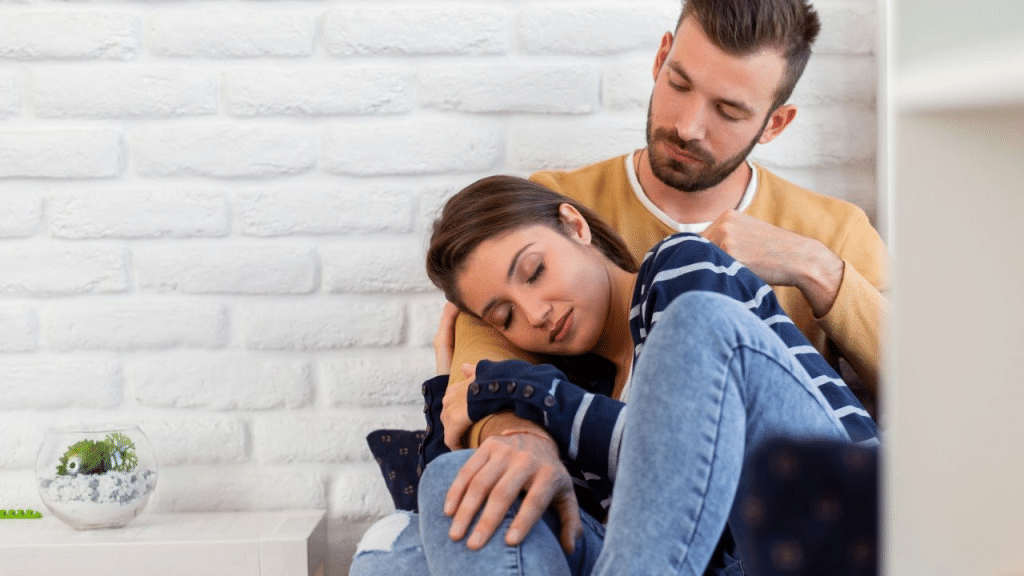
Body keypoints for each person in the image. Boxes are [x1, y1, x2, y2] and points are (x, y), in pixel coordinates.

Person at [353, 176, 877, 576]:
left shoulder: (679, 269)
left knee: (698, 325)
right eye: (504, 316)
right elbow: (445, 516)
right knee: (452, 489)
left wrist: (523, 390)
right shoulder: (577, 396)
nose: (534, 313)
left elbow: (690, 464)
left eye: (534, 271)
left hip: (820, 518)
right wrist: (448, 387)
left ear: (575, 226)